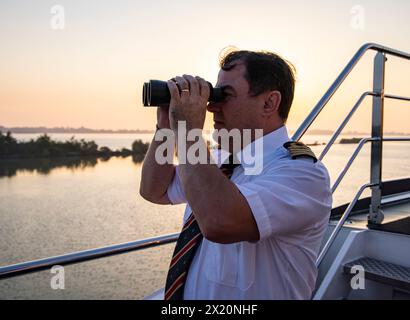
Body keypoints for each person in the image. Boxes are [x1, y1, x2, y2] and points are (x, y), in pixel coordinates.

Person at [140, 49, 332, 300]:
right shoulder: (217, 161)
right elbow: (155, 190)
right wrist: (166, 127)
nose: (212, 108)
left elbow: (219, 221)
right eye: (213, 94)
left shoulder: (303, 175)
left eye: (224, 95)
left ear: (269, 103)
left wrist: (188, 131)